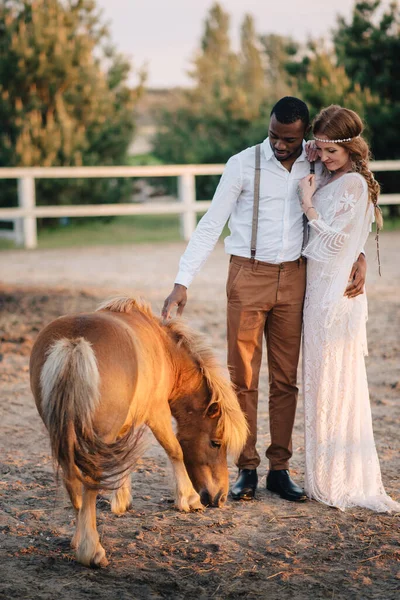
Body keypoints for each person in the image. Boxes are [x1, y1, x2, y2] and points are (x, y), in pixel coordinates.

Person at [162, 97, 366, 503]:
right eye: (274, 135)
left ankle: (279, 468)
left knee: (286, 379)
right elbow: (210, 224)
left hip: (295, 277)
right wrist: (182, 281)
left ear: (304, 133)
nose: (279, 145)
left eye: (289, 139)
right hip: (247, 275)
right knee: (243, 380)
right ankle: (247, 468)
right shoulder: (242, 164)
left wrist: (357, 254)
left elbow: (349, 206)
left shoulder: (316, 160)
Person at [298, 105, 400, 512]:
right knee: (320, 381)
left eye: (331, 152)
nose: (324, 158)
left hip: (333, 299)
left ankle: (337, 479)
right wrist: (313, 156)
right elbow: (351, 236)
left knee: (336, 381)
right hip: (316, 291)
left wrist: (307, 203)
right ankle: (321, 474)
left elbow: (334, 241)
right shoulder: (329, 173)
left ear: (351, 149)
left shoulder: (355, 184)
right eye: (320, 151)